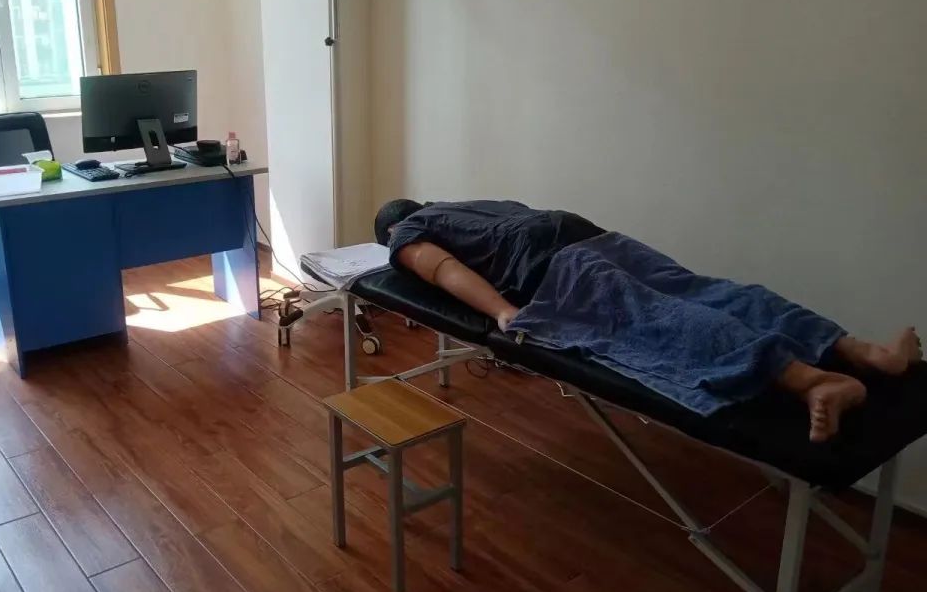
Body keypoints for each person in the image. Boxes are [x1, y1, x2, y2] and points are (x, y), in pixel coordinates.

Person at [374, 199, 922, 443]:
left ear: (391, 232)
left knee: (669, 321)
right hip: (589, 234)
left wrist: (503, 312)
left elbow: (441, 269)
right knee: (714, 293)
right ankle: (865, 352)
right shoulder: (461, 205)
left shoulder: (406, 233)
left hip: (553, 267)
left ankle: (813, 381)